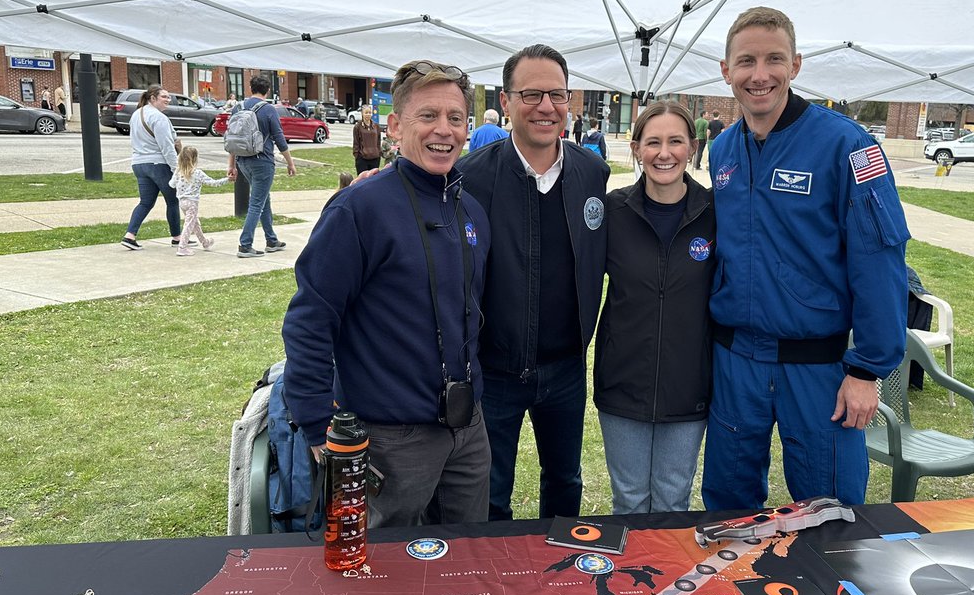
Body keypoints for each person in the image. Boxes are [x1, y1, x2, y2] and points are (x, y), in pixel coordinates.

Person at [702, 6, 909, 511]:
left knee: (830, 514)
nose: (760, 74)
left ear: (795, 65)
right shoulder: (723, 150)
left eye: (774, 59)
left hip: (818, 369)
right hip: (736, 364)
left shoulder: (846, 144)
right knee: (728, 508)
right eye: (746, 61)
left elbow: (880, 257)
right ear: (726, 71)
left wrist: (868, 370)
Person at [282, 60, 491, 528]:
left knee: (467, 565)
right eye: (428, 116)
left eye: (455, 118)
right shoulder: (359, 209)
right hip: (390, 438)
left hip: (466, 429)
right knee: (382, 581)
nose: (444, 130)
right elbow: (311, 318)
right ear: (395, 126)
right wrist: (317, 422)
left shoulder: (469, 209)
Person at [458, 43, 610, 521]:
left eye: (557, 94)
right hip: (495, 372)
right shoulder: (470, 179)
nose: (546, 106)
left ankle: (556, 575)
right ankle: (492, 586)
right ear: (506, 101)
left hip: (565, 371)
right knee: (491, 491)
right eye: (531, 94)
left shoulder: (593, 173)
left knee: (565, 482)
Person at [594, 100, 715, 513]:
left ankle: (666, 579)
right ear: (636, 148)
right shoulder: (614, 211)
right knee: (628, 499)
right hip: (623, 380)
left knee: (672, 499)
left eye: (676, 142)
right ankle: (627, 580)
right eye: (654, 142)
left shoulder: (715, 213)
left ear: (693, 147)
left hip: (689, 385)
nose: (665, 153)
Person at [227, 75, 296, 258]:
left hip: (243, 161)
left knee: (263, 198)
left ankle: (271, 240)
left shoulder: (238, 107)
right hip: (262, 161)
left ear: (250, 88)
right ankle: (245, 244)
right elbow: (279, 139)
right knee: (257, 202)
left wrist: (231, 165)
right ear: (268, 90)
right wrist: (290, 162)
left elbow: (233, 138)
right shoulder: (268, 110)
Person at [120, 85, 184, 251]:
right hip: (158, 164)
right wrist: (176, 168)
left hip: (139, 163)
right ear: (152, 98)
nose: (168, 100)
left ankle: (130, 235)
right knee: (173, 200)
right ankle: (177, 238)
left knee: (146, 202)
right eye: (164, 97)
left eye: (168, 96)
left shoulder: (136, 114)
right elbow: (167, 146)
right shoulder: (159, 118)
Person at [169, 146, 230, 255]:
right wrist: (227, 180)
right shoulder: (197, 173)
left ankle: (205, 242)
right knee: (189, 225)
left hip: (182, 202)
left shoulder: (178, 172)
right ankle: (182, 247)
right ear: (195, 159)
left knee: (195, 223)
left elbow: (171, 184)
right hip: (192, 203)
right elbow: (213, 183)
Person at [352, 104, 392, 175]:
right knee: (362, 181)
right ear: (362, 113)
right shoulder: (357, 127)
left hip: (375, 158)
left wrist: (379, 152)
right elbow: (356, 142)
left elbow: (378, 141)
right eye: (366, 113)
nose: (368, 114)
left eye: (370, 112)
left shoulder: (376, 126)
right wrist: (357, 155)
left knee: (373, 180)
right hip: (362, 158)